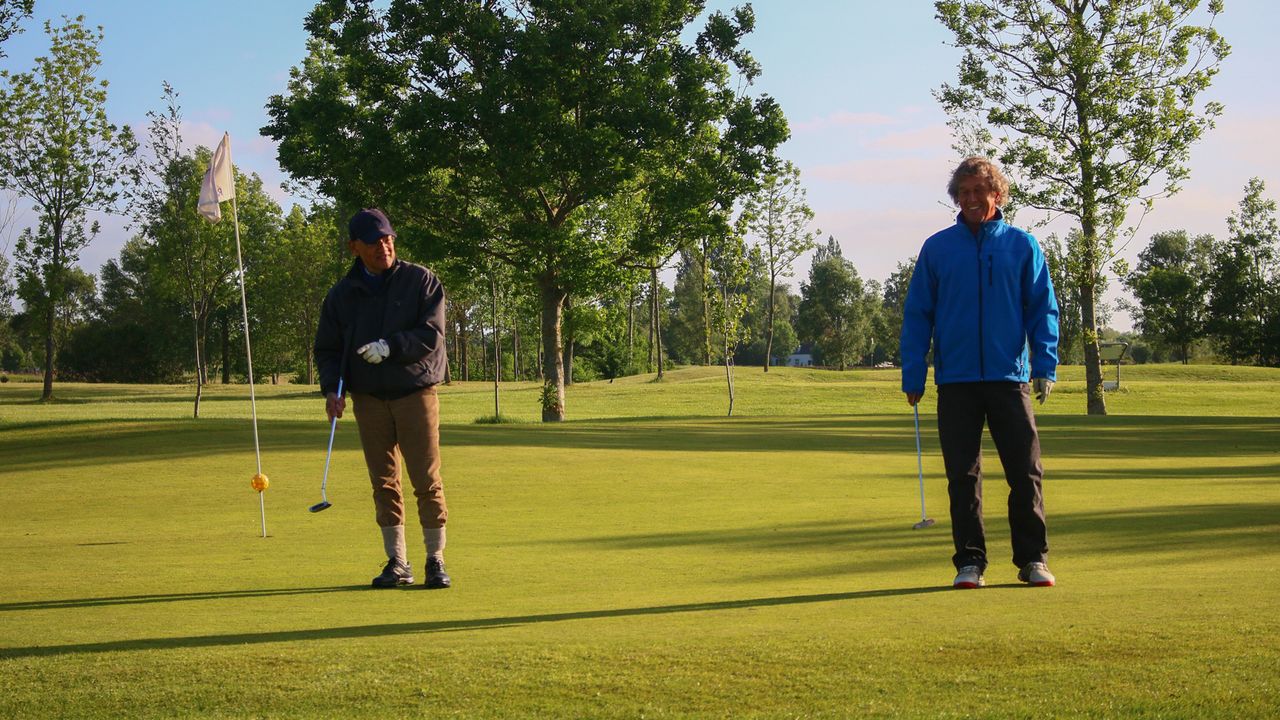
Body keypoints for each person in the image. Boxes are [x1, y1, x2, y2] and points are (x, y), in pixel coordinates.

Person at [899, 156, 1059, 589]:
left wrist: (1045, 364)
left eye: (979, 191)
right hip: (956, 380)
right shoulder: (938, 248)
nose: (971, 199)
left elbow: (1042, 309)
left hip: (1010, 376)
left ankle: (1033, 559)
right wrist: (913, 373)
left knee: (1025, 472)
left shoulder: (1022, 246)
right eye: (963, 192)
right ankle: (969, 562)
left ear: (997, 194)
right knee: (962, 477)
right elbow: (918, 314)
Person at [315, 207, 452, 589]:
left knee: (426, 480)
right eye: (374, 242)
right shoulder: (342, 295)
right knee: (384, 482)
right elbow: (328, 349)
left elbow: (432, 335)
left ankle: (435, 559)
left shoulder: (420, 281)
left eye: (388, 239)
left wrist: (391, 346)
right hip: (369, 398)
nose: (384, 247)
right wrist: (332, 389)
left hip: (415, 392)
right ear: (354, 247)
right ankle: (398, 561)